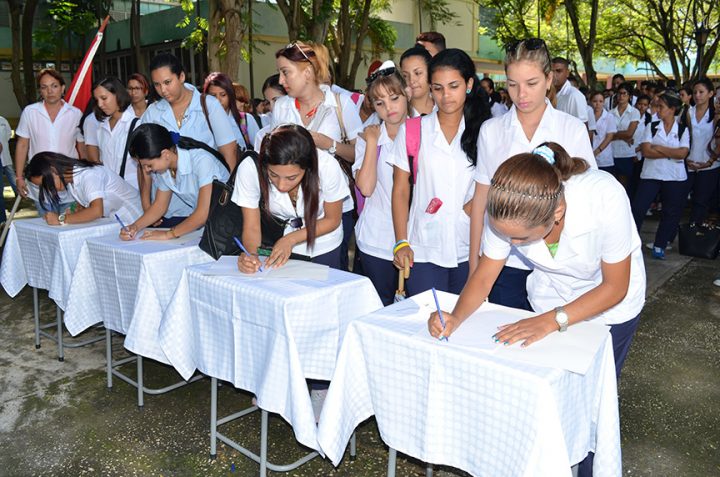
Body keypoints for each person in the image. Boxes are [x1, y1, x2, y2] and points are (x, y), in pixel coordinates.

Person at [429, 141, 645, 377]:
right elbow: (484, 277)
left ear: (557, 214)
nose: (511, 243)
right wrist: (456, 316)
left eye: (521, 238)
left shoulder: (604, 197)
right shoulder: (506, 211)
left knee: (596, 382)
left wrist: (551, 320)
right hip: (552, 296)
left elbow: (615, 287)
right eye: (505, 236)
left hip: (608, 306)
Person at [468, 38, 596, 310]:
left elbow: (588, 199)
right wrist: (474, 262)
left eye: (531, 83)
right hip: (505, 260)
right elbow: (482, 198)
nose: (521, 94)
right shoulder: (492, 131)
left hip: (558, 264)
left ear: (549, 79)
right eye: (512, 84)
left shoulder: (571, 129)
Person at [390, 48, 491, 295]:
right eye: (438, 88)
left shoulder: (487, 132)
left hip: (471, 248)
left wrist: (470, 208)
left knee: (463, 327)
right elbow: (401, 188)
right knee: (424, 322)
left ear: (468, 84)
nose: (446, 96)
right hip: (423, 248)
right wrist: (401, 242)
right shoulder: (414, 130)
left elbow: (495, 184)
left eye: (453, 86)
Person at [273, 41, 361, 271]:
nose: (281, 81)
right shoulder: (281, 107)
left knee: (333, 271)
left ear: (308, 72)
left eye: (285, 73)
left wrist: (328, 144)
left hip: (334, 205)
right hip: (292, 208)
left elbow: (357, 154)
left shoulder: (341, 105)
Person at [233, 124, 347, 270]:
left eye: (291, 178)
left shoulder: (326, 166)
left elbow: (332, 219)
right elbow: (252, 226)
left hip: (323, 242)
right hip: (275, 243)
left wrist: (291, 239)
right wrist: (251, 255)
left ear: (308, 168)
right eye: (273, 175)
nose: (281, 185)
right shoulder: (249, 168)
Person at [353, 62, 409, 305]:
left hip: (415, 239)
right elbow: (365, 188)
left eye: (394, 98)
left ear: (407, 93)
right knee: (379, 307)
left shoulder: (425, 130)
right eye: (380, 103)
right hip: (376, 240)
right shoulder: (368, 136)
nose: (389, 108)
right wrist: (372, 143)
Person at [119, 123, 230, 240]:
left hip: (227, 226)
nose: (146, 171)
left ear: (165, 154)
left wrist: (168, 234)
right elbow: (159, 206)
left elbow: (203, 213)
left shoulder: (202, 161)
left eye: (149, 165)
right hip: (212, 226)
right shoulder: (165, 168)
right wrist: (134, 227)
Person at [14, 68, 84, 213]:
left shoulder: (75, 114)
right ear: (40, 90)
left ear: (62, 88)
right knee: (46, 228)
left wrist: (86, 174)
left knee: (70, 229)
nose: (50, 91)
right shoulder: (30, 112)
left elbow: (81, 146)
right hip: (40, 183)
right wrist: (19, 177)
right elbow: (22, 145)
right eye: (44, 87)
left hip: (70, 184)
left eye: (54, 86)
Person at [631, 91, 690, 259]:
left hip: (674, 176)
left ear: (672, 109)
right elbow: (646, 151)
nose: (657, 109)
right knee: (639, 208)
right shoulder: (652, 126)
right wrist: (671, 152)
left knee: (670, 212)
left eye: (661, 107)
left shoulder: (683, 129)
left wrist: (659, 148)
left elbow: (682, 154)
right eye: (657, 106)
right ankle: (631, 243)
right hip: (651, 174)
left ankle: (660, 245)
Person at [25, 151, 142, 225]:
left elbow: (96, 211)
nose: (48, 189)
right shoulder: (72, 180)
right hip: (119, 222)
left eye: (45, 184)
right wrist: (77, 208)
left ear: (53, 170)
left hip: (135, 219)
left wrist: (61, 219)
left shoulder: (89, 175)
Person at [91, 77, 141, 189]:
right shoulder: (101, 128)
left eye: (104, 98)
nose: (100, 104)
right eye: (97, 100)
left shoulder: (135, 125)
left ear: (118, 95)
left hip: (132, 192)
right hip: (110, 192)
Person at [684, 78, 718, 225]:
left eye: (701, 92)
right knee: (677, 201)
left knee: (701, 203)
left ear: (711, 94)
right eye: (695, 92)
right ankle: (667, 239)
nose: (697, 95)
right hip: (687, 164)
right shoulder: (686, 113)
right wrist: (685, 159)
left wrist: (709, 161)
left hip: (709, 165)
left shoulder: (715, 115)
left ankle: (694, 238)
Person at [203, 72, 256, 151]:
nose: (218, 100)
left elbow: (260, 149)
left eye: (223, 95)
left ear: (230, 95)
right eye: (213, 96)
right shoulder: (202, 121)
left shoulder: (244, 119)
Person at [610, 82, 641, 193]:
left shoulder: (634, 112)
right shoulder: (610, 113)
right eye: (619, 93)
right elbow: (608, 134)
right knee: (613, 184)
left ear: (630, 96)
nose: (621, 96)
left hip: (626, 153)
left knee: (624, 186)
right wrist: (621, 136)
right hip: (612, 152)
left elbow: (629, 133)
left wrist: (614, 135)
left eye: (624, 93)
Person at [253, 74, 288, 150]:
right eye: (268, 102)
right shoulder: (262, 135)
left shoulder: (307, 127)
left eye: (276, 100)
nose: (272, 107)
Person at [399, 46, 435, 117]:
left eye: (417, 73)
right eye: (405, 76)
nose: (411, 80)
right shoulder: (397, 113)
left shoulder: (442, 106)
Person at [551, 57, 588, 124]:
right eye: (551, 71)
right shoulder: (546, 93)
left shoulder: (575, 96)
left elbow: (583, 126)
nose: (554, 75)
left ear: (567, 73)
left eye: (558, 71)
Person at [590, 91, 617, 174]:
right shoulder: (587, 115)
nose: (597, 104)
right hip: (589, 155)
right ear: (590, 102)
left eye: (600, 101)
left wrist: (597, 151)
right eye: (595, 101)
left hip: (604, 157)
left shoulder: (609, 117)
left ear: (604, 102)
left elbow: (609, 137)